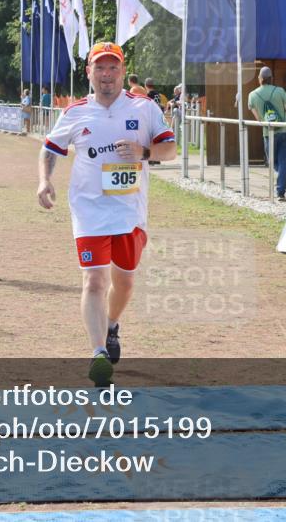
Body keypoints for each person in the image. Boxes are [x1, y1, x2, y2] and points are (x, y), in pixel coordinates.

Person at [37, 42, 176, 386]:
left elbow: (171, 149)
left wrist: (144, 151)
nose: (107, 75)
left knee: (124, 282)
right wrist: (44, 180)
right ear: (89, 73)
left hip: (130, 210)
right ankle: (98, 352)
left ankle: (112, 325)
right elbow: (50, 149)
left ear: (123, 71)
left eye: (113, 68)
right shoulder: (76, 112)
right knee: (94, 280)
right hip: (89, 209)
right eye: (100, 68)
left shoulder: (144, 109)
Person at [248, 66, 286, 201]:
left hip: (268, 133)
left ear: (260, 79)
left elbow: (258, 119)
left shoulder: (252, 95)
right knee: (283, 162)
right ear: (271, 79)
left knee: (274, 162)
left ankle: (281, 190)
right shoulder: (280, 91)